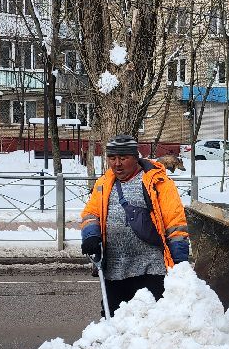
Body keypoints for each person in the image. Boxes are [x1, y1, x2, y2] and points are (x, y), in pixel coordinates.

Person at [80, 134, 191, 314]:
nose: (117, 164)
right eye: (112, 158)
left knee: (151, 321)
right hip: (114, 268)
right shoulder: (104, 183)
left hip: (152, 267)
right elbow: (91, 214)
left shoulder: (158, 182)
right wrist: (91, 235)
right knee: (113, 319)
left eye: (123, 158)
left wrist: (180, 263)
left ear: (135, 157)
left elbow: (175, 222)